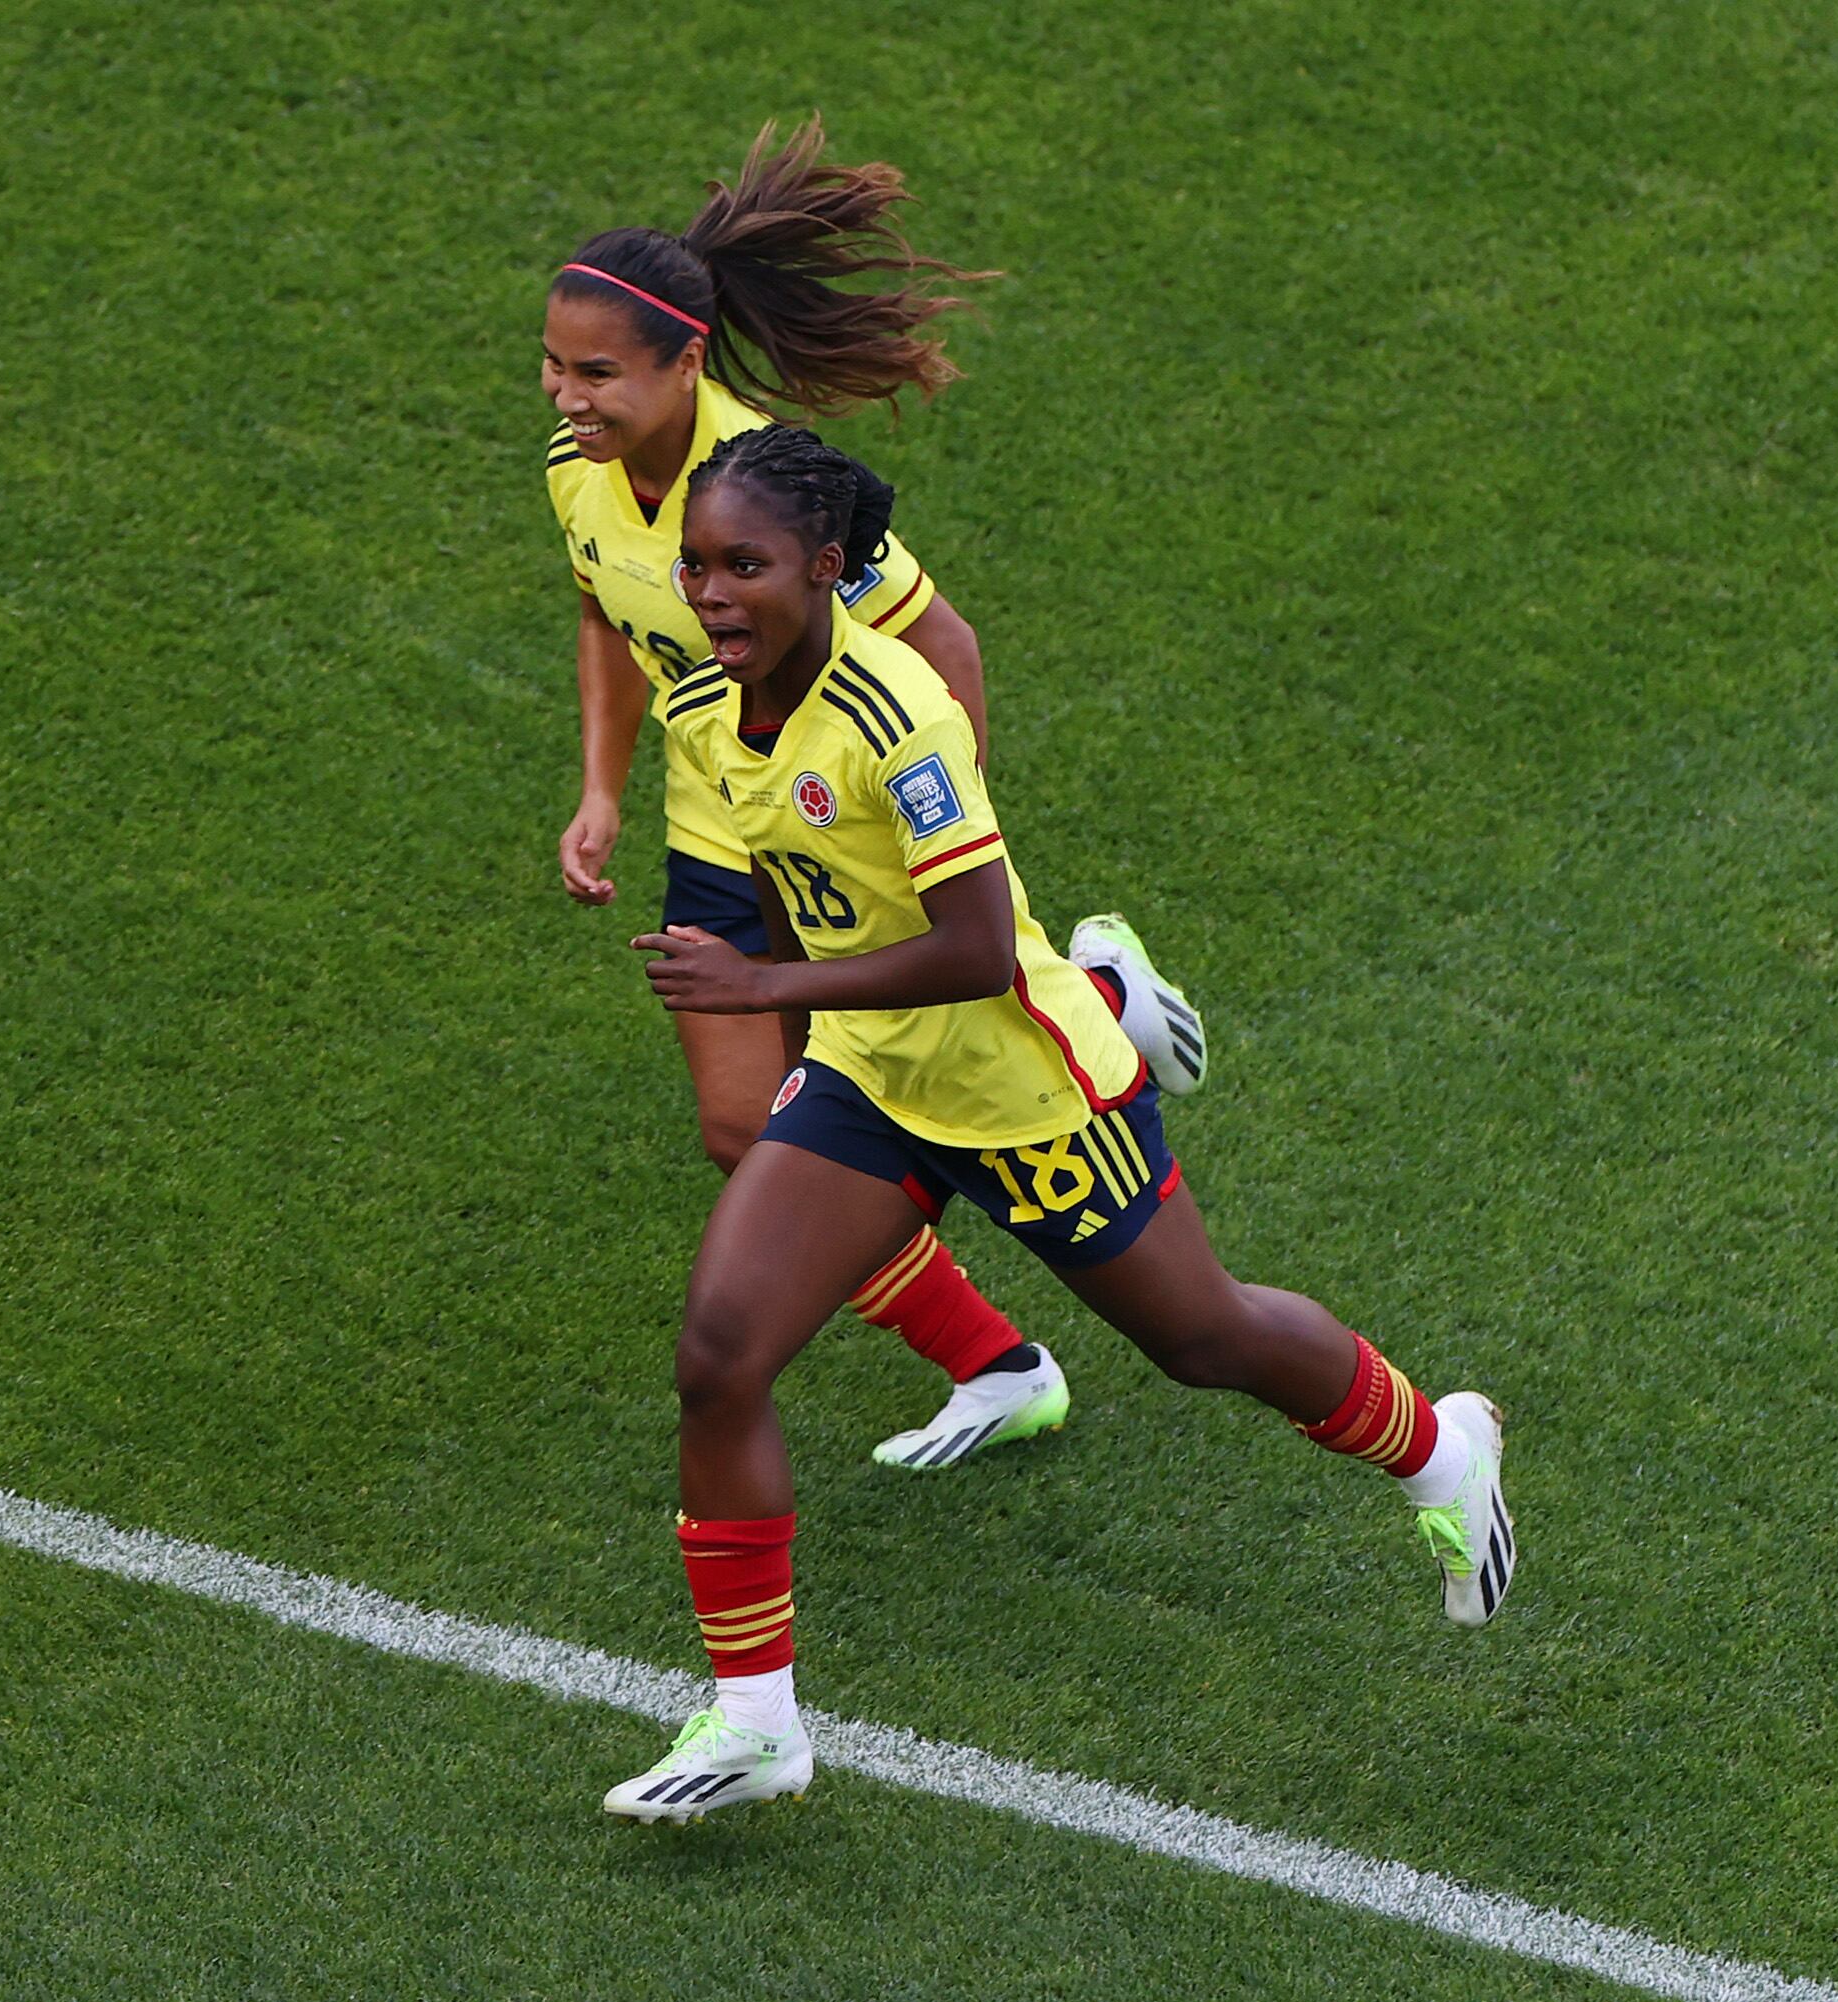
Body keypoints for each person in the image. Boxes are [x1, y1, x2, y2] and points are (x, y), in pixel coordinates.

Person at [599, 426, 1516, 1823]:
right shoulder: (712, 710)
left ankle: (1439, 1445)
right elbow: (810, 889)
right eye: (697, 567)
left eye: (747, 566)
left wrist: (765, 990)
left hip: (1025, 1091)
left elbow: (971, 945)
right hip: (873, 1079)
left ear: (827, 569)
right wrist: (800, 1038)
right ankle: (757, 1721)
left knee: (1204, 1339)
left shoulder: (896, 719)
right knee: (719, 1358)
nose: (712, 593)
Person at [544, 117, 1207, 1470]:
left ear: (685, 363)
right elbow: (605, 620)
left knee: (839, 1104)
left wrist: (931, 840)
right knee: (751, 1127)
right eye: (553, 366)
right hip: (723, 820)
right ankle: (1001, 1363)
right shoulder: (582, 474)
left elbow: (941, 645)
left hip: (835, 827)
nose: (566, 396)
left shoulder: (763, 497)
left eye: (597, 372)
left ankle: (1076, 1016)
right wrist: (602, 789)